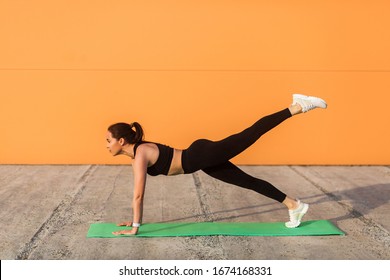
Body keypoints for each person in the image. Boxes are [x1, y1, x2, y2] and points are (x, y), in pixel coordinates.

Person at [106, 94, 327, 235]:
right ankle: (294, 206)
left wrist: (135, 228)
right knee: (248, 182)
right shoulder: (139, 153)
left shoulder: (140, 156)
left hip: (202, 155)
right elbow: (139, 196)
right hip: (202, 160)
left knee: (249, 134)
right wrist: (136, 223)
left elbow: (138, 195)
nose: (107, 145)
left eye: (109, 141)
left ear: (121, 141)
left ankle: (297, 107)